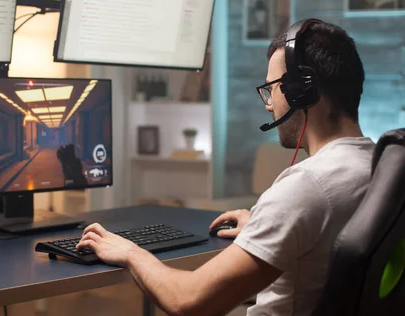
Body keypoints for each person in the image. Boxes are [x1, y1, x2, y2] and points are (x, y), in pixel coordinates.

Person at [77, 20, 375, 315]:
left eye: (273, 89)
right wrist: (267, 226)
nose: (269, 104)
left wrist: (130, 252)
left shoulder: (305, 187)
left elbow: (187, 301)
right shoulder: (380, 168)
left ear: (303, 90)